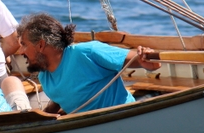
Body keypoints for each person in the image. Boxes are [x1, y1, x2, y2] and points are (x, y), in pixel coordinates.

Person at [16, 13, 161, 115]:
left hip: (124, 117)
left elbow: (135, 58)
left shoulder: (87, 52)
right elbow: (63, 96)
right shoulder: (44, 76)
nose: (21, 51)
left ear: (41, 45)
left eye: (24, 44)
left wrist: (145, 59)